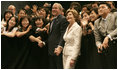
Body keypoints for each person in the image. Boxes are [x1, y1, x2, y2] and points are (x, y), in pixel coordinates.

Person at [94, 2, 117, 69]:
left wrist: (108, 37)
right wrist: (99, 45)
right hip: (105, 47)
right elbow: (97, 39)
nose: (100, 9)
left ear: (109, 9)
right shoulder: (97, 22)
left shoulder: (115, 15)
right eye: (99, 8)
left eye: (103, 7)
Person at [46, 3, 69, 69]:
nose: (53, 9)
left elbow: (63, 34)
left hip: (58, 50)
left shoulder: (63, 19)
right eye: (53, 8)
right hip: (51, 49)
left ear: (61, 10)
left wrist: (60, 46)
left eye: (56, 8)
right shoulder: (53, 20)